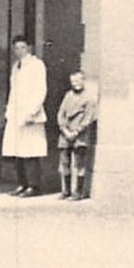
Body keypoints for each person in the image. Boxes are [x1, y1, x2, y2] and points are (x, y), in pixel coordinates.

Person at [0, 34, 47, 197]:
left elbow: (41, 90)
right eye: (16, 48)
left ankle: (34, 186)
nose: (19, 51)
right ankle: (22, 183)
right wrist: (9, 111)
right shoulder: (16, 67)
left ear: (29, 48)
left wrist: (32, 112)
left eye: (23, 47)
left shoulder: (37, 65)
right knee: (16, 150)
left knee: (30, 151)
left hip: (30, 115)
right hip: (16, 114)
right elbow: (13, 91)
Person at [55, 71, 97, 200]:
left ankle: (78, 192)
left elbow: (88, 117)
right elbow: (61, 113)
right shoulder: (68, 95)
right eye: (73, 82)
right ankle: (66, 191)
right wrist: (64, 129)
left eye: (78, 81)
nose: (76, 84)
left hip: (80, 136)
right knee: (64, 163)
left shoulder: (89, 98)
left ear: (83, 80)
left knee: (80, 164)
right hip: (65, 134)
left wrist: (76, 131)